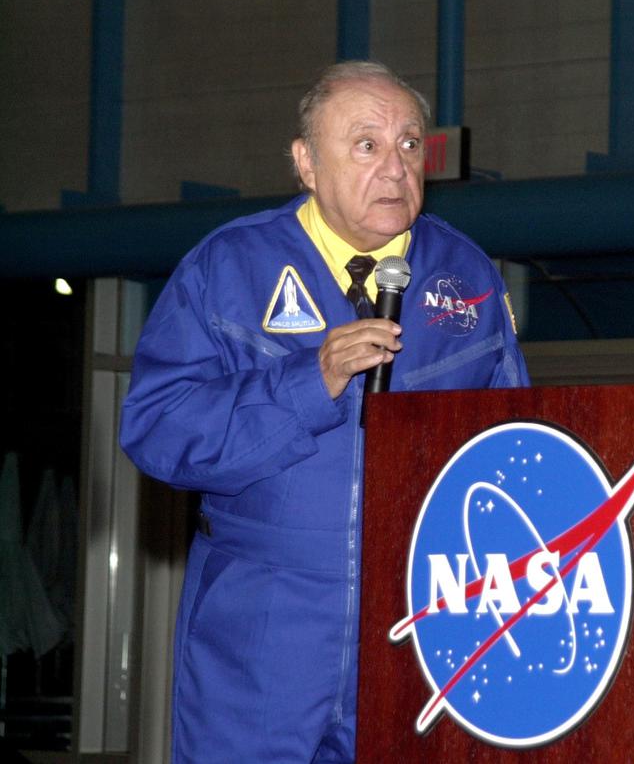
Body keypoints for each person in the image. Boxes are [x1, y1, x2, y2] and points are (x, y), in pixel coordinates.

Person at [120, 61, 529, 762]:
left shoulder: (467, 278)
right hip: (263, 631)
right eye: (367, 144)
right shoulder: (229, 268)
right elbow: (158, 429)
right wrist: (308, 382)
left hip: (417, 625)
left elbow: (514, 451)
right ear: (306, 163)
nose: (396, 167)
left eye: (409, 144)